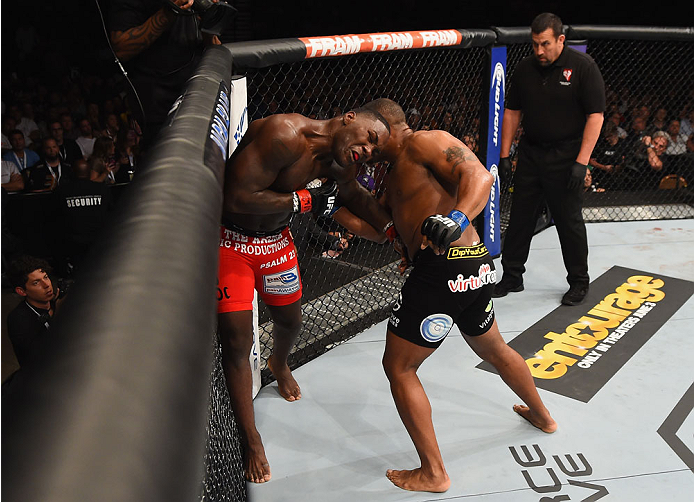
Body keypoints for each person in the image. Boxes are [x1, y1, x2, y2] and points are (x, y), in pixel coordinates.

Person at [363, 98, 556, 493]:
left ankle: (433, 472)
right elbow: (381, 227)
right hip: (471, 265)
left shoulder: (424, 143)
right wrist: (323, 206)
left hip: (443, 267)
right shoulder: (394, 171)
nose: (367, 146)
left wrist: (457, 217)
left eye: (370, 135)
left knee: (399, 368)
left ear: (385, 126)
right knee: (495, 348)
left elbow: (480, 177)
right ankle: (542, 416)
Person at [219, 107, 393, 483]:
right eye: (370, 138)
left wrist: (393, 229)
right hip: (229, 240)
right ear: (349, 118)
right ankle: (251, 440)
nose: (367, 150)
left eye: (375, 152)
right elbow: (235, 197)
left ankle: (278, 364)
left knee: (290, 321)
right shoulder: (285, 135)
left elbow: (355, 197)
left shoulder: (340, 162)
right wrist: (304, 201)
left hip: (275, 241)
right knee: (236, 339)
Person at [493, 12, 605, 306]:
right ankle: (512, 276)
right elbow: (512, 111)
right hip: (531, 152)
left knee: (569, 221)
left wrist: (582, 161)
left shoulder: (583, 67)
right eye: (534, 45)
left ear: (560, 40)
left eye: (544, 44)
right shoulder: (526, 68)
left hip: (567, 155)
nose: (539, 51)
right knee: (520, 216)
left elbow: (596, 116)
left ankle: (579, 281)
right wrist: (505, 153)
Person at [108, 0, 222, 151]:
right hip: (159, 108)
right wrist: (170, 12)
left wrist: (211, 17)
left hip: (199, 97)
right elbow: (121, 49)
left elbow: (213, 44)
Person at [54, 158, 113, 272]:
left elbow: (55, 216)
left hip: (72, 242)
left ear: (72, 171)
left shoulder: (62, 191)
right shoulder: (102, 189)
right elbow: (111, 212)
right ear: (89, 172)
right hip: (98, 241)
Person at [6, 255, 65, 368]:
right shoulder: (18, 320)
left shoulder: (57, 301)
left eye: (46, 277)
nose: (47, 285)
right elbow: (42, 358)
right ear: (22, 291)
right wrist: (59, 316)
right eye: (36, 283)